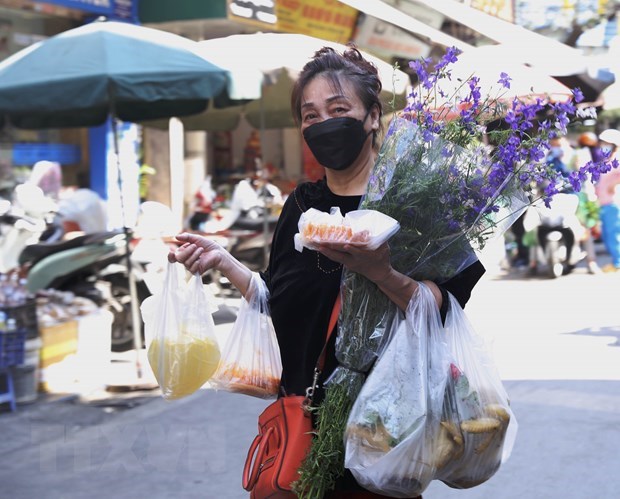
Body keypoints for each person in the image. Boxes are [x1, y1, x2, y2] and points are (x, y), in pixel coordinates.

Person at [168, 45, 485, 498]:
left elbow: (441, 310)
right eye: (310, 115)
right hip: (302, 426)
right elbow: (278, 299)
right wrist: (225, 262)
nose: (322, 125)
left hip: (385, 431)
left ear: (373, 116)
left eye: (338, 110)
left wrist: (382, 272)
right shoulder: (302, 205)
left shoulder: (416, 204)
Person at [594, 128, 620, 272]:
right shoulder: (607, 160)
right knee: (606, 234)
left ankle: (618, 263)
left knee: (614, 234)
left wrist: (614, 184)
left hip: (614, 202)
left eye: (607, 143)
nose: (603, 145)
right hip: (604, 202)